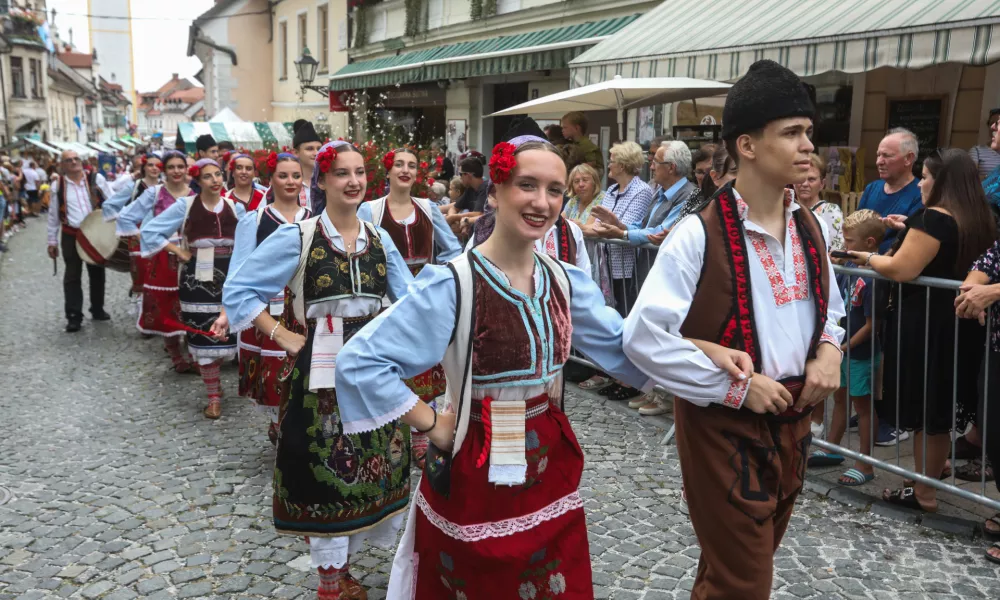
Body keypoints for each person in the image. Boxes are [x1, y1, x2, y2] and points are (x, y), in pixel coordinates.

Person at [332, 135, 650, 599]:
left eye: (555, 190)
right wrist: (434, 426)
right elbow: (359, 361)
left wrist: (716, 373)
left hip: (549, 462)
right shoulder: (453, 285)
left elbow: (627, 350)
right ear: (496, 193)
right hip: (476, 462)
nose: (542, 202)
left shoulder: (565, 281)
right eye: (527, 185)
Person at [624, 59, 846, 599]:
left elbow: (830, 308)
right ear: (746, 145)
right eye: (791, 133)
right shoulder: (696, 235)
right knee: (745, 582)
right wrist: (738, 387)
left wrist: (830, 351)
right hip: (724, 427)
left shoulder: (809, 225)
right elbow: (642, 337)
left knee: (734, 570)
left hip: (793, 423)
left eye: (808, 133)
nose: (806, 146)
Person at [223, 140, 413, 600]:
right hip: (318, 376)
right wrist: (280, 334)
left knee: (374, 467)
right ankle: (329, 584)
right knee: (321, 471)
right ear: (323, 181)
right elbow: (238, 289)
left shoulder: (380, 238)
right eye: (342, 174)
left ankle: (343, 572)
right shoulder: (300, 237)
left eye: (360, 173)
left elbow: (411, 302)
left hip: (370, 369)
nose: (353, 182)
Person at [848, 148, 995, 513]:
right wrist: (906, 230)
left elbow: (901, 268)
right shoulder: (983, 218)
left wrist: (865, 257)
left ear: (941, 181)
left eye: (926, 177)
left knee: (926, 411)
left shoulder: (934, 218)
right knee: (941, 409)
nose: (922, 183)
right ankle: (929, 475)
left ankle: (923, 491)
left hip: (926, 327)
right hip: (962, 326)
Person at [357, 147, 463, 467]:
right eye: (399, 164)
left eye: (412, 165)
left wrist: (440, 277)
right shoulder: (370, 211)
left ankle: (419, 439)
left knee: (424, 365)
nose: (405, 170)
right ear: (387, 172)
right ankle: (388, 433)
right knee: (390, 365)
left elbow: (453, 250)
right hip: (387, 300)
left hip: (424, 300)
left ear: (418, 174)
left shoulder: (429, 208)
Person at [141, 159, 246, 419]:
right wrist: (178, 250)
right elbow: (151, 231)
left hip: (230, 274)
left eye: (218, 174)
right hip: (196, 277)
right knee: (202, 334)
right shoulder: (185, 206)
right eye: (208, 176)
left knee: (230, 334)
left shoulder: (236, 207)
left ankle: (215, 381)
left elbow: (247, 240)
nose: (215, 180)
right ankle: (213, 396)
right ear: (197, 181)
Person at [228, 153, 312, 445]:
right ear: (271, 180)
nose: (290, 182)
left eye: (296, 176)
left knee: (304, 368)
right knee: (275, 372)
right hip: (269, 307)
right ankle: (280, 425)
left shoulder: (314, 219)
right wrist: (227, 312)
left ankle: (296, 426)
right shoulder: (255, 220)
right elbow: (239, 270)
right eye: (283, 176)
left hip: (303, 305)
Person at [808, 209, 886, 482]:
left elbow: (872, 324)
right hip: (843, 348)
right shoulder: (848, 269)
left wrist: (845, 346)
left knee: (862, 407)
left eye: (850, 242)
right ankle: (832, 446)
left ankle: (865, 463)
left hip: (859, 352)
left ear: (869, 244)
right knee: (839, 398)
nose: (845, 246)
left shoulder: (874, 277)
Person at [117, 151, 196, 372]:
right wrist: (146, 238)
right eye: (171, 167)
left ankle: (192, 353)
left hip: (190, 253)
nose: (177, 171)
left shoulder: (194, 194)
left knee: (190, 304)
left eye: (181, 166)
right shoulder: (155, 193)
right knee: (167, 305)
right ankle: (176, 356)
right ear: (164, 170)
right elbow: (126, 217)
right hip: (163, 256)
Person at [593, 143, 653, 403]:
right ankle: (616, 373)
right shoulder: (612, 190)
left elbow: (622, 229)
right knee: (613, 319)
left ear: (625, 163)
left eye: (613, 159)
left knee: (627, 322)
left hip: (627, 266)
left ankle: (630, 378)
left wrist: (611, 226)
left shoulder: (641, 191)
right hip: (607, 263)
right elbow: (600, 225)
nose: (609, 163)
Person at [47, 150, 112, 333]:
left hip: (94, 231)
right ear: (62, 165)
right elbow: (53, 216)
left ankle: (97, 309)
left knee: (97, 271)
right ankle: (74, 316)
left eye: (76, 159)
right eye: (69, 160)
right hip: (70, 233)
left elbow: (112, 200)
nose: (74, 162)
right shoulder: (57, 185)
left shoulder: (95, 179)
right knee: (72, 275)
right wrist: (51, 241)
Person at [102, 154, 164, 298]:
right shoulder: (135, 186)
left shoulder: (165, 186)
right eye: (150, 165)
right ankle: (141, 304)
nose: (154, 168)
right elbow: (110, 205)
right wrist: (126, 223)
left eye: (158, 165)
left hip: (161, 233)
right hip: (138, 234)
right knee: (141, 270)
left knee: (160, 271)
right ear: (144, 167)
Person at [858, 128, 923, 253]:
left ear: (908, 158)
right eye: (878, 155)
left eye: (887, 156)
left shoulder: (920, 194)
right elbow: (856, 229)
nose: (878, 162)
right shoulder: (872, 188)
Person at [795, 153, 843, 250]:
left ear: (822, 184)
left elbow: (837, 250)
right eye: (801, 178)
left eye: (811, 179)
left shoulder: (830, 211)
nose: (804, 184)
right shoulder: (788, 210)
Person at [446, 156, 488, 237]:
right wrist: (457, 223)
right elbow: (454, 208)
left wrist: (453, 218)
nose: (460, 177)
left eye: (460, 174)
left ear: (468, 175)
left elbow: (478, 213)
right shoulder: (470, 189)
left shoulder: (486, 187)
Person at [293, 119, 322, 210]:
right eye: (310, 149)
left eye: (319, 148)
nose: (316, 153)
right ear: (296, 152)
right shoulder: (286, 183)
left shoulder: (328, 182)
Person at [970, 108, 1000, 181]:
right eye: (990, 123)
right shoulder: (977, 151)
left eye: (997, 123)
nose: (992, 127)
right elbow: (969, 178)